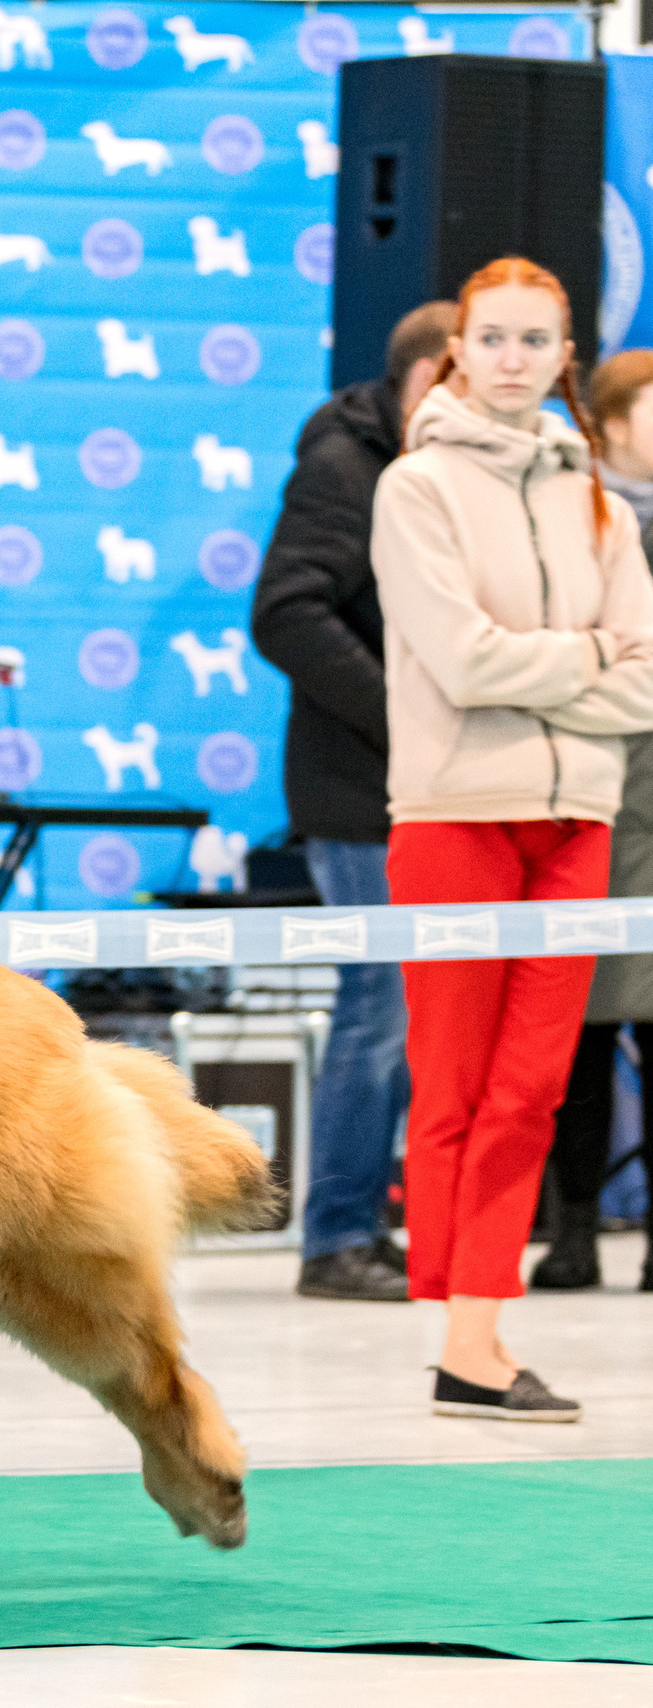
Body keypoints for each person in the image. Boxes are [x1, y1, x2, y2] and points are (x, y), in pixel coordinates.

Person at [370, 257, 653, 1421]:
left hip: (575, 821)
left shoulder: (594, 495)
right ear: (458, 350)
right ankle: (456, 1326)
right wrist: (581, 662)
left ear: (562, 357)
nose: (512, 359)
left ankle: (477, 1342)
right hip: (452, 817)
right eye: (492, 338)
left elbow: (644, 682)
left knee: (531, 1089)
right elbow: (462, 658)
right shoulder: (414, 488)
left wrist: (552, 672)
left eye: (535, 341)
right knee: (452, 1084)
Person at [251, 300, 459, 1302]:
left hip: (433, 789)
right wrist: (402, 717)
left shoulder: (447, 471)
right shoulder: (342, 466)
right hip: (359, 791)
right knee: (378, 1013)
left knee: (409, 1016)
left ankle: (371, 1224)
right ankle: (335, 1234)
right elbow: (282, 612)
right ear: (426, 378)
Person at [536, 348, 653, 1293]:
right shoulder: (575, 518)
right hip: (587, 805)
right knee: (573, 1040)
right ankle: (571, 1231)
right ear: (609, 424)